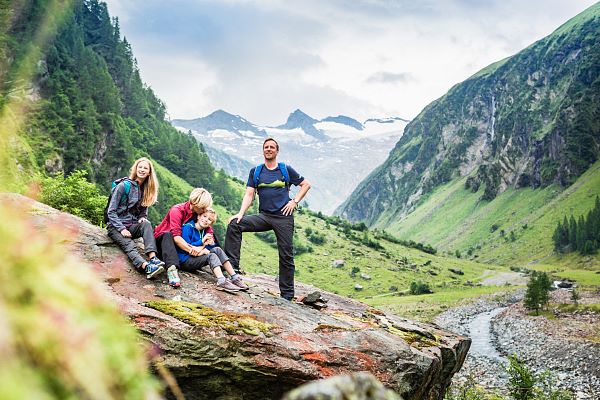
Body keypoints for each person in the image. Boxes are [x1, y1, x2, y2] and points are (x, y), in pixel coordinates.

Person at [225, 137, 311, 301]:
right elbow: (249, 194)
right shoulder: (256, 171)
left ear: (277, 151)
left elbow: (306, 184)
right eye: (266, 147)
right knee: (235, 225)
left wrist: (295, 202)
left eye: (272, 147)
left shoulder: (285, 169)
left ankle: (287, 296)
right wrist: (240, 214)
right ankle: (232, 270)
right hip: (264, 216)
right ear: (263, 150)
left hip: (284, 217)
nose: (269, 149)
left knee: (286, 255)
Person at [106, 157, 165, 280]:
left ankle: (153, 258)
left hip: (131, 226)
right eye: (140, 167)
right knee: (129, 245)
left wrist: (142, 218)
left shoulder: (145, 190)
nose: (142, 170)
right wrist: (121, 229)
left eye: (145, 168)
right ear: (135, 169)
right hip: (115, 226)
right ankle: (146, 267)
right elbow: (111, 211)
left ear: (149, 172)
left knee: (146, 224)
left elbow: (143, 211)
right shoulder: (123, 186)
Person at [178, 208, 248, 292]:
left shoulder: (205, 231)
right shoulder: (188, 227)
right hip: (185, 261)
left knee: (217, 249)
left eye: (209, 219)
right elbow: (188, 248)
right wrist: (202, 242)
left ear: (211, 223)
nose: (206, 220)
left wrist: (210, 244)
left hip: (195, 258)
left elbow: (207, 249)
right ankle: (221, 281)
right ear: (199, 216)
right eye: (204, 216)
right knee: (211, 256)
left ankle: (234, 277)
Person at [154, 187, 213, 287]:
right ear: (194, 203)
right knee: (168, 235)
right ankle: (172, 270)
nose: (204, 210)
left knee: (205, 226)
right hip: (163, 243)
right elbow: (176, 237)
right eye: (203, 208)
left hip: (180, 246)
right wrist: (192, 250)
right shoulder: (177, 210)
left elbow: (209, 231)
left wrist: (201, 248)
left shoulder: (196, 213)